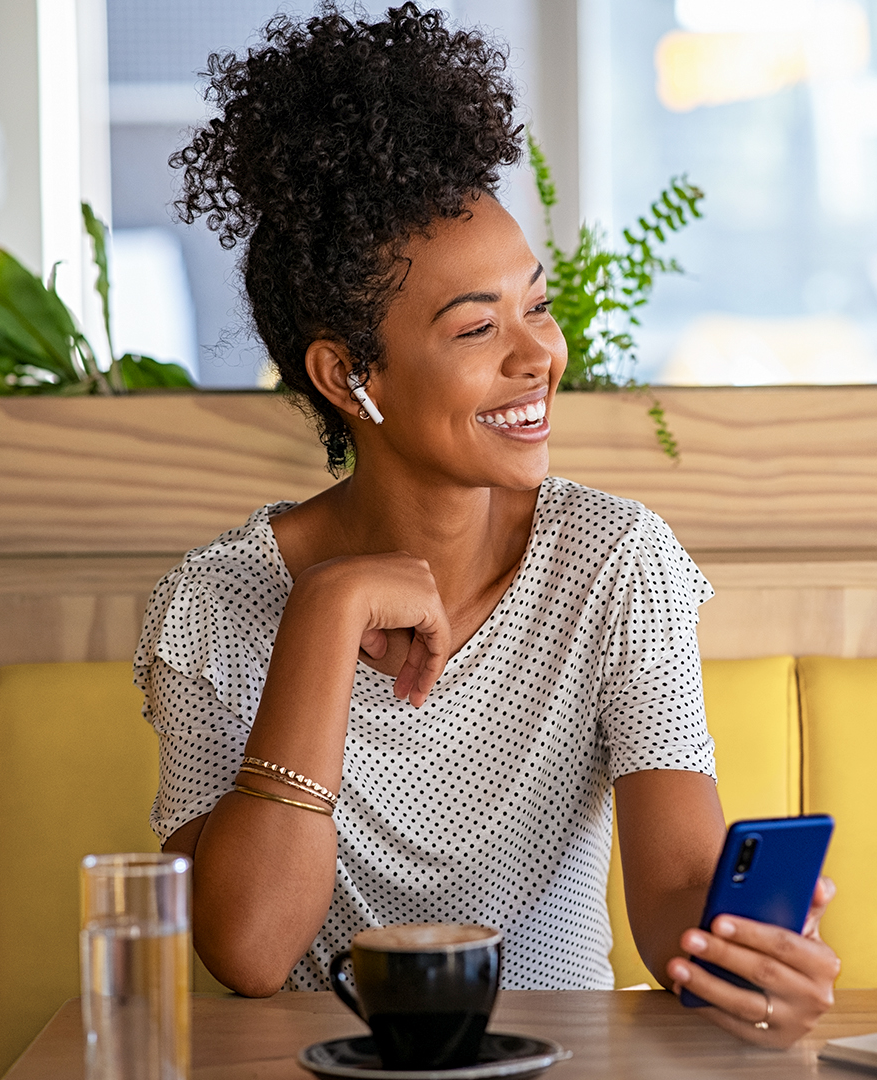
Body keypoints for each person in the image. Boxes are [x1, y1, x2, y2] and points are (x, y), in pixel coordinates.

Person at [137, 3, 839, 1048]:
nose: (538, 355)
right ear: (347, 375)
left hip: (558, 1065)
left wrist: (740, 956)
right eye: (477, 326)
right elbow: (248, 950)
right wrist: (323, 618)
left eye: (536, 306)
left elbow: (675, 890)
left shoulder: (613, 560)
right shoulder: (212, 603)